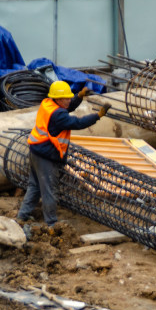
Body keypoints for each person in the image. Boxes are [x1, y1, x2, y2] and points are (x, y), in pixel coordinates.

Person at [17, 81, 111, 226]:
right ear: (58, 99)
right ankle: (52, 224)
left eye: (70, 97)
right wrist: (97, 116)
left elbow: (66, 108)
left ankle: (22, 216)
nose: (69, 100)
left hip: (36, 149)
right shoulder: (58, 115)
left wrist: (79, 97)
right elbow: (77, 123)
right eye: (66, 98)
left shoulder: (48, 104)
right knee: (49, 190)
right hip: (46, 155)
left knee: (34, 186)